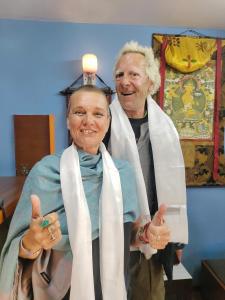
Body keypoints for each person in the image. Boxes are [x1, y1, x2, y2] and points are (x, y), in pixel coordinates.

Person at [0, 85, 170, 300]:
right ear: (68, 120)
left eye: (98, 114)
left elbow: (128, 234)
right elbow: (17, 250)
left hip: (113, 285)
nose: (89, 121)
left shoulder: (123, 173)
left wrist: (147, 234)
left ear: (108, 123)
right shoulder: (45, 172)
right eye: (79, 112)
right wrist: (32, 241)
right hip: (60, 290)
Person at [105, 41, 189, 300]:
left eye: (133, 74)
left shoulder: (165, 129)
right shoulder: (101, 123)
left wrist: (176, 239)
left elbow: (174, 185)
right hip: (111, 236)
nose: (124, 81)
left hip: (152, 236)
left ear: (150, 83)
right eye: (119, 74)